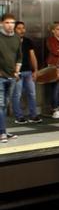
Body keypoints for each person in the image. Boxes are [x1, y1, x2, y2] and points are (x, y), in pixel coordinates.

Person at [12, 21, 40, 124]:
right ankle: (19, 116)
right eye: (19, 28)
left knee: (32, 94)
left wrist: (35, 70)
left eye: (23, 28)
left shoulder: (28, 41)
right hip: (17, 72)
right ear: (14, 29)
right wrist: (14, 72)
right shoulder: (10, 41)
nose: (22, 30)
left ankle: (33, 115)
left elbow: (32, 56)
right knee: (17, 94)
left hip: (28, 71)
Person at [0, 14, 21, 143]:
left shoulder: (17, 38)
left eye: (12, 23)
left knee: (5, 105)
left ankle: (3, 131)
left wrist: (17, 71)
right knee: (0, 105)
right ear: (2, 23)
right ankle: (2, 133)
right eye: (7, 22)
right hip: (0, 77)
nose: (10, 25)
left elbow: (19, 56)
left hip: (12, 76)